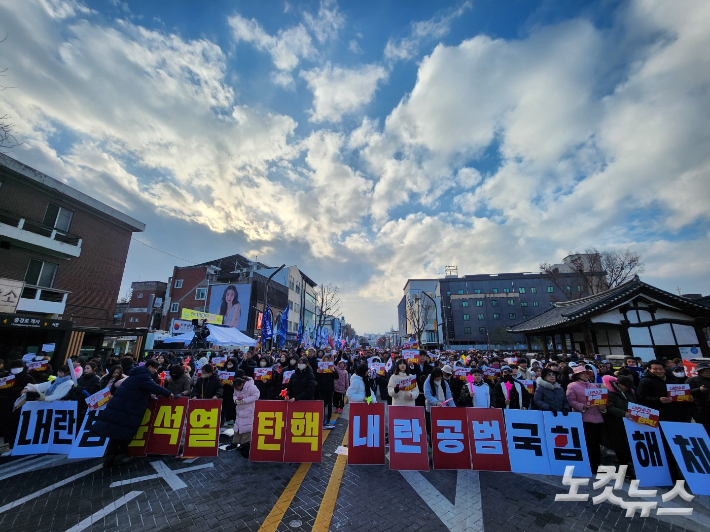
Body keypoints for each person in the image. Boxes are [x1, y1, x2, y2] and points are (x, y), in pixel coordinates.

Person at [92, 359, 173, 467]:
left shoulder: (136, 375)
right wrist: (169, 393)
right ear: (149, 367)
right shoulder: (143, 376)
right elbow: (154, 387)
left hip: (122, 407)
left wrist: (148, 395)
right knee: (121, 433)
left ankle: (111, 457)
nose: (155, 371)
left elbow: (137, 390)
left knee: (116, 434)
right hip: (127, 409)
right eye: (155, 368)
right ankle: (117, 458)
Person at [566, 365, 607, 474]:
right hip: (583, 418)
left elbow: (601, 401)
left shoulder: (594, 386)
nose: (586, 375)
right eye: (583, 373)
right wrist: (583, 406)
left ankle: (596, 464)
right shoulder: (572, 386)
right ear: (577, 375)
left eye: (587, 373)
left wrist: (603, 408)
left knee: (596, 443)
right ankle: (591, 466)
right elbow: (571, 401)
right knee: (589, 443)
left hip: (597, 418)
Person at [602, 375, 636, 470]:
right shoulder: (610, 393)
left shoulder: (629, 392)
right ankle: (624, 467)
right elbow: (609, 407)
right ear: (619, 384)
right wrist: (623, 413)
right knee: (619, 446)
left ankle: (630, 465)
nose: (628, 388)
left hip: (629, 422)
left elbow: (634, 403)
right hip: (616, 423)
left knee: (628, 444)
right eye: (626, 386)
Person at [0, 360, 35, 450]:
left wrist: (9, 390)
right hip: (4, 405)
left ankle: (14, 445)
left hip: (18, 406)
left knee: (15, 426)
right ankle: (9, 444)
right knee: (5, 425)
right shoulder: (6, 376)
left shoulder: (27, 377)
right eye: (13, 368)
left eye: (18, 368)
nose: (15, 370)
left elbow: (31, 390)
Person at [226, 375, 260, 456]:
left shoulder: (251, 387)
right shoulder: (236, 387)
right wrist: (236, 400)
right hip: (239, 410)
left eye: (237, 387)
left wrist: (244, 401)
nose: (236, 389)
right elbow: (234, 395)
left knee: (246, 429)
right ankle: (235, 443)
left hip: (249, 410)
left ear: (241, 384)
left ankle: (245, 445)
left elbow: (256, 396)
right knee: (237, 428)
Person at [687, 361, 710, 435]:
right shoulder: (691, 380)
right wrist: (699, 390)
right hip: (700, 409)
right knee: (704, 428)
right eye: (705, 371)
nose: (708, 373)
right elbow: (686, 392)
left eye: (709, 371)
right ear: (699, 372)